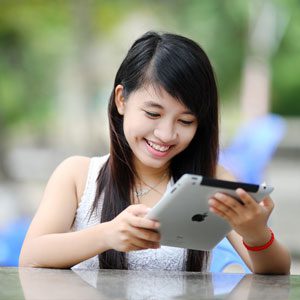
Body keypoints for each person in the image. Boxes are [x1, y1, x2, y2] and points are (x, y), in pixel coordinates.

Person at [19, 31, 290, 274]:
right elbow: (31, 256)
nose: (166, 134)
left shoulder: (212, 181)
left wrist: (256, 235)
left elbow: (275, 273)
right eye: (153, 113)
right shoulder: (77, 175)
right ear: (121, 99)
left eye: (185, 121)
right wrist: (107, 235)